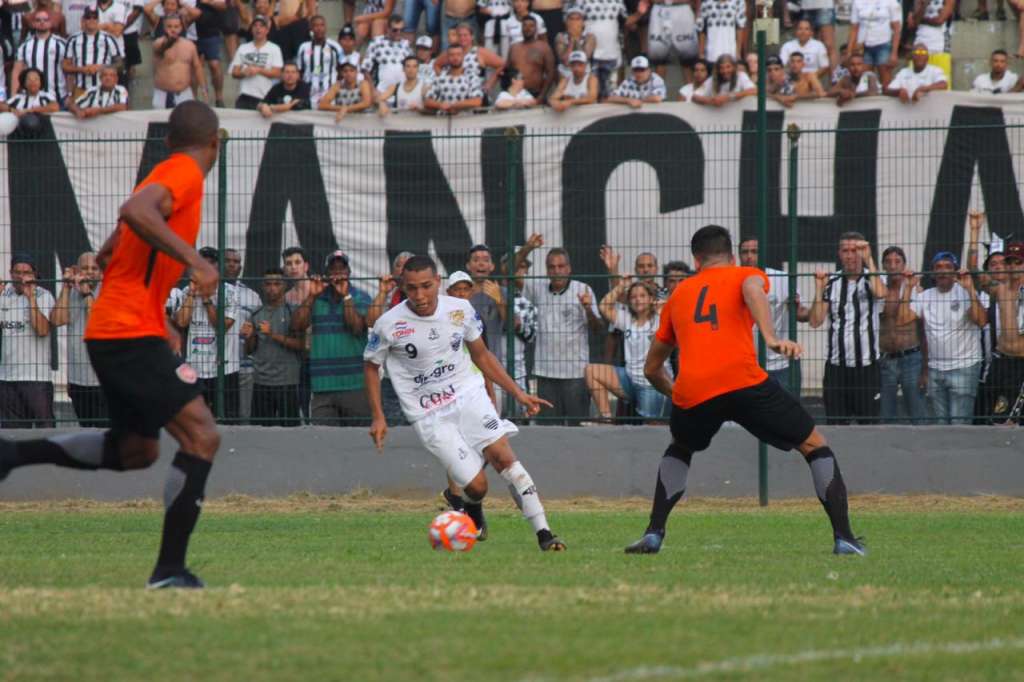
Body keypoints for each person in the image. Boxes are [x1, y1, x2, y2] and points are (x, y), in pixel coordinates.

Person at [0, 102, 224, 589]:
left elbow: (114, 245)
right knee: (202, 436)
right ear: (216, 143)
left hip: (120, 328)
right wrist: (197, 262)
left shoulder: (163, 173)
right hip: (127, 331)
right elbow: (135, 213)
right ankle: (169, 571)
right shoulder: (185, 171)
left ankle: (10, 456)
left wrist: (153, 309)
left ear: (167, 140)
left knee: (136, 451)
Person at [623, 224, 865, 557]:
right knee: (813, 444)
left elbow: (651, 369)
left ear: (696, 261)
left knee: (680, 448)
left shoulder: (678, 295)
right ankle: (845, 538)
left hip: (695, 390)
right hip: (743, 381)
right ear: (732, 256)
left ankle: (653, 533)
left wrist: (677, 394)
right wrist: (770, 337)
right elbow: (752, 289)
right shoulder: (745, 275)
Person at [364, 255, 566, 551]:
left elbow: (481, 355)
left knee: (505, 459)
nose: (420, 295)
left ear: (438, 282)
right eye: (412, 288)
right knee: (477, 486)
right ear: (402, 286)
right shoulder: (388, 324)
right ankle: (472, 507)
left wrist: (518, 393)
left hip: (468, 394)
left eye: (426, 286)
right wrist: (378, 416)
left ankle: (545, 534)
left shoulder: (460, 310)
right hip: (429, 415)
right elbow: (371, 366)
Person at [514, 235, 603, 425]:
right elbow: (510, 272)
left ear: (569, 268)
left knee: (578, 430)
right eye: (552, 267)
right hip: (545, 373)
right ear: (547, 270)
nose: (557, 271)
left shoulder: (583, 289)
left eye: (561, 266)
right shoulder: (538, 288)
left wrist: (588, 309)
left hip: (575, 374)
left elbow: (598, 329)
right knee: (548, 431)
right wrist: (528, 248)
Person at [896, 252, 987, 424]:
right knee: (941, 426)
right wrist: (907, 288)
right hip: (935, 369)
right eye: (938, 267)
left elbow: (981, 321)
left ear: (955, 272)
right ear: (932, 273)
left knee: (960, 424)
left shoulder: (964, 293)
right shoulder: (926, 296)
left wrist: (970, 290)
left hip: (964, 367)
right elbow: (901, 320)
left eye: (948, 267)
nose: (943, 271)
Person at [808, 233, 887, 424]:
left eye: (855, 250)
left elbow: (880, 293)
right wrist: (819, 290)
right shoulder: (832, 282)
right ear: (839, 253)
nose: (850, 255)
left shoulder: (872, 278)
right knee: (836, 425)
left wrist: (869, 259)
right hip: (837, 369)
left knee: (869, 425)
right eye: (846, 251)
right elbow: (815, 321)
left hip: (866, 368)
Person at [291, 251, 373, 426]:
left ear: (348, 272)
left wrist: (346, 297)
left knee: (359, 438)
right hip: (322, 385)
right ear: (327, 273)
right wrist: (311, 296)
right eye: (333, 269)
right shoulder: (317, 297)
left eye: (341, 269)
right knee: (323, 439)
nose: (337, 273)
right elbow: (297, 326)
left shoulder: (361, 297)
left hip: (355, 384)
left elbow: (356, 328)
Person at [172, 246, 241, 421]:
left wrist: (206, 298)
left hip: (224, 369)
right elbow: (181, 322)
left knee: (228, 420)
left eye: (211, 263)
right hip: (195, 368)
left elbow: (222, 327)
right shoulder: (187, 291)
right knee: (196, 420)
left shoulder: (230, 292)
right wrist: (192, 293)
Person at [585, 279, 669, 421]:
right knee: (591, 371)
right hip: (629, 379)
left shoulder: (659, 318)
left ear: (651, 299)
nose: (638, 300)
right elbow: (604, 306)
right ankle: (606, 419)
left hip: (651, 384)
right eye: (633, 297)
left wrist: (662, 309)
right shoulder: (627, 319)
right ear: (629, 301)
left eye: (642, 296)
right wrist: (621, 286)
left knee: (650, 427)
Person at [737, 236, 808, 396]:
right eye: (745, 252)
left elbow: (803, 315)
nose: (749, 256)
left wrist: (798, 308)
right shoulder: (733, 281)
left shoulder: (782, 279)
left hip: (781, 364)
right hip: (746, 366)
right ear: (739, 255)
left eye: (754, 251)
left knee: (788, 409)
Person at [50, 252, 108, 426]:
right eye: (85, 268)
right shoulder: (72, 292)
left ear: (101, 272)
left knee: (105, 431)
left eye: (94, 268)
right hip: (77, 379)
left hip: (103, 380)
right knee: (85, 430)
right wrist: (66, 287)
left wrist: (87, 294)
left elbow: (95, 324)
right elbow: (57, 320)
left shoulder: (107, 292)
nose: (89, 272)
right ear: (76, 270)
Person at [0, 253, 56, 428]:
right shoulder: (4, 294)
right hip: (7, 377)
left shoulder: (44, 295)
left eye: (26, 272)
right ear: (10, 273)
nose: (21, 277)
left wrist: (30, 298)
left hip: (36, 377)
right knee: (12, 433)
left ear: (34, 274)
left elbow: (42, 330)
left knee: (44, 429)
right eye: (17, 272)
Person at [242, 268, 302, 426]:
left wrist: (272, 334)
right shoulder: (256, 314)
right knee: (259, 432)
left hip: (287, 382)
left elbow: (301, 345)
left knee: (291, 433)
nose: (272, 288)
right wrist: (249, 336)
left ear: (285, 286)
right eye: (268, 284)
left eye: (277, 284)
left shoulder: (294, 312)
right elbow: (249, 350)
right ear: (262, 286)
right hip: (261, 382)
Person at [877, 246, 928, 424]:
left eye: (897, 261)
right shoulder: (879, 292)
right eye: (888, 262)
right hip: (885, 360)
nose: (893, 266)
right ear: (883, 265)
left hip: (911, 358)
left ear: (904, 265)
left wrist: (925, 369)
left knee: (917, 414)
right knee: (885, 416)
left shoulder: (915, 291)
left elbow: (923, 331)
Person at [223, 248, 262, 424]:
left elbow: (259, 334)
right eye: (228, 261)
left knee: (244, 418)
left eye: (236, 262)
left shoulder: (252, 297)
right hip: (215, 367)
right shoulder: (209, 291)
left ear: (241, 267)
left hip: (244, 367)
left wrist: (252, 334)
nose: (232, 265)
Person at [987, 242, 1024, 423]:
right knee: (993, 416)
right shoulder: (1000, 289)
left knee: (1008, 421)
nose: (1013, 267)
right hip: (1001, 361)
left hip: (1021, 363)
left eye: (1018, 262)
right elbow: (978, 277)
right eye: (1009, 262)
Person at [10, 10, 68, 104]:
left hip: (58, 96)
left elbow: (69, 71)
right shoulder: (24, 46)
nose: (42, 22)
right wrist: (13, 95)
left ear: (51, 23)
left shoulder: (62, 44)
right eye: (38, 20)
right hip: (31, 98)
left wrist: (70, 94)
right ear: (33, 24)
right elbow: (17, 71)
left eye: (45, 20)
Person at [63, 7, 121, 97]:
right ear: (83, 20)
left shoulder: (108, 39)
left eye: (94, 18)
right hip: (81, 88)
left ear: (98, 20)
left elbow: (120, 64)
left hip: (104, 88)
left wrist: (101, 67)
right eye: (88, 17)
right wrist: (82, 69)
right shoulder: (73, 39)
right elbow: (65, 66)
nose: (92, 20)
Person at [152, 13, 208, 108]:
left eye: (176, 26)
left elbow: (197, 68)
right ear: (164, 28)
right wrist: (170, 41)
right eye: (169, 26)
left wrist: (204, 89)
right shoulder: (158, 43)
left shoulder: (189, 46)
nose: (173, 29)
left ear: (181, 28)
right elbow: (162, 48)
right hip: (163, 94)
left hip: (184, 93)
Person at [229, 14, 283, 109]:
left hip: (265, 96)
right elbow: (234, 72)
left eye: (261, 26)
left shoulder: (274, 48)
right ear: (251, 29)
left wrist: (258, 70)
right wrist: (244, 73)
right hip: (244, 95)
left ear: (267, 30)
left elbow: (277, 73)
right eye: (255, 25)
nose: (258, 28)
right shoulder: (243, 48)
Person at [846, 0, 901, 88]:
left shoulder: (890, 1)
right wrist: (849, 52)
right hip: (863, 47)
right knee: (864, 82)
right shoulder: (857, 2)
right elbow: (854, 28)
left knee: (886, 84)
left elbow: (897, 28)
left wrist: (894, 53)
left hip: (883, 44)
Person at [295, 15, 343, 108]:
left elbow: (341, 70)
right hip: (308, 92)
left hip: (329, 92)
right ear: (311, 28)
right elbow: (299, 71)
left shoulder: (335, 47)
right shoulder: (304, 48)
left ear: (326, 27)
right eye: (316, 25)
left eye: (322, 25)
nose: (319, 28)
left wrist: (335, 89)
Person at [646, 0, 699, 84]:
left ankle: (690, 91)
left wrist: (698, 13)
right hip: (660, 8)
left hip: (682, 8)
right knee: (659, 59)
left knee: (688, 60)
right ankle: (658, 90)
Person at [424, 43, 484, 114]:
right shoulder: (440, 77)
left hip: (466, 119)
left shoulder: (472, 77)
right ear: (447, 57)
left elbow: (477, 101)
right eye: (452, 55)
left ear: (463, 56)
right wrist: (440, 105)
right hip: (443, 118)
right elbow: (427, 101)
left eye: (458, 54)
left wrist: (453, 105)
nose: (455, 58)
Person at [506, 15, 555, 99]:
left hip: (535, 93)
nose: (528, 28)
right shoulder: (514, 48)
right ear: (521, 28)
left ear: (536, 29)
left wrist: (542, 96)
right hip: (515, 94)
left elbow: (551, 73)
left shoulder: (544, 48)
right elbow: (507, 71)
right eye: (525, 25)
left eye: (531, 26)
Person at [362, 14, 412, 92]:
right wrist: (373, 90)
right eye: (395, 30)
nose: (398, 32)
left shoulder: (406, 44)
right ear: (388, 29)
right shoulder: (377, 42)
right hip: (382, 91)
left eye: (401, 30)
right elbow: (365, 69)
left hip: (403, 91)